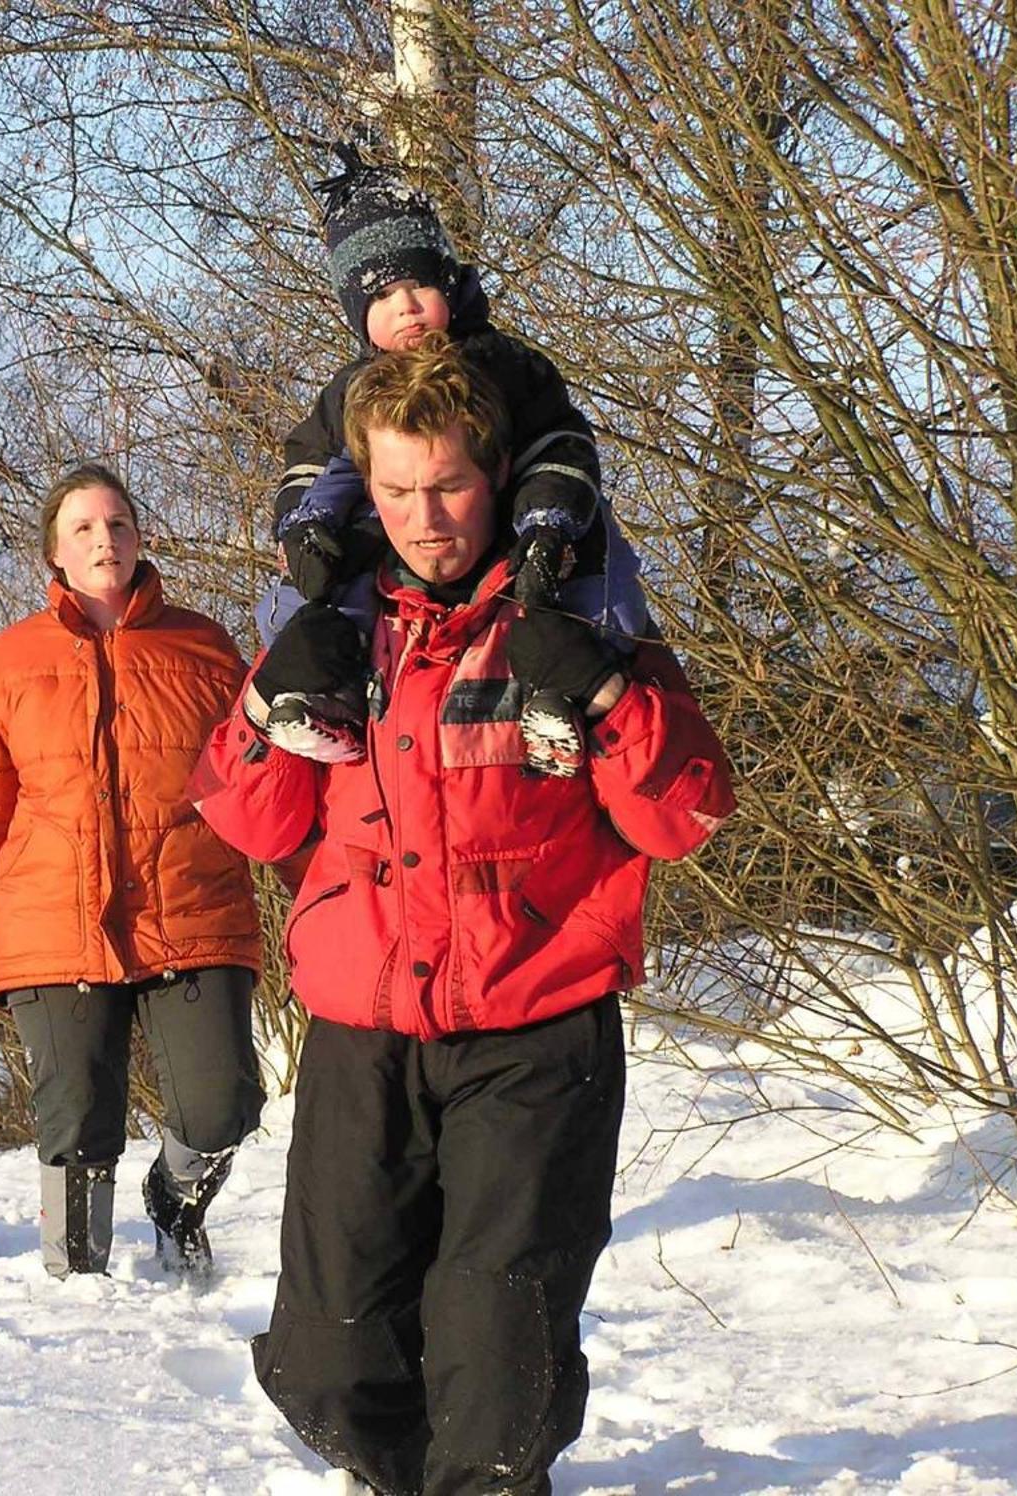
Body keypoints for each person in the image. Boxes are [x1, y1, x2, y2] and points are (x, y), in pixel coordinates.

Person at [193, 341, 735, 1493]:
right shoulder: (336, 621)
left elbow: (682, 813)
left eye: (445, 486)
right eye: (393, 491)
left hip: (536, 1028)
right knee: (326, 1357)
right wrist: (263, 693)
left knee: (494, 1358)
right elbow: (248, 818)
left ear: (491, 474)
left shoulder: (583, 610)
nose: (422, 517)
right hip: (364, 1032)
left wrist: (598, 689)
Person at [0, 463, 266, 1278]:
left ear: (140, 541)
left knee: (222, 1106)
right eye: (83, 528)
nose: (104, 539)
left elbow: (263, 783)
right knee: (77, 1119)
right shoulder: (10, 663)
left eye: (118, 524)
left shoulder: (205, 648)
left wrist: (326, 887)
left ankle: (176, 1199)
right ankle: (79, 1283)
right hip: (51, 920)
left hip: (192, 909)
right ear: (55, 557)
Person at [254, 145, 649, 777]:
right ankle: (326, 690)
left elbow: (561, 442)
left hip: (518, 528)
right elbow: (310, 464)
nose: (406, 307)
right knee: (313, 594)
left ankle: (568, 693)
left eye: (419, 285)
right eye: (381, 296)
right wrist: (304, 526)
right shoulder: (350, 390)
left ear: (451, 282)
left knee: (588, 574)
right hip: (386, 557)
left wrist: (548, 520)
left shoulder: (502, 364)